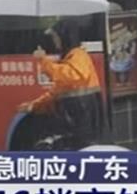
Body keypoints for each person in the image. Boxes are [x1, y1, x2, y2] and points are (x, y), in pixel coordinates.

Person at [17, 19, 102, 148]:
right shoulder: (69, 58)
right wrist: (34, 106)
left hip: (83, 118)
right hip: (76, 118)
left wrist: (43, 61)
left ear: (65, 36)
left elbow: (72, 77)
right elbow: (56, 92)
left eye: (56, 37)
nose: (55, 41)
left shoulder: (79, 55)